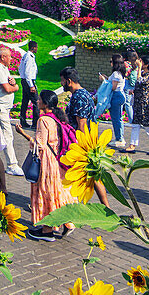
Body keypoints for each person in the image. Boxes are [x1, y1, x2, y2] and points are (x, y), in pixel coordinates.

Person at [15, 90, 76, 241]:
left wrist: (23, 133)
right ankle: (67, 222)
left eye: (40, 99)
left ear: (45, 103)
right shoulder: (58, 118)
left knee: (45, 191)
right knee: (57, 191)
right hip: (57, 160)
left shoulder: (43, 120)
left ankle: (47, 230)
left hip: (47, 161)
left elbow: (39, 144)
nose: (37, 101)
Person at [58, 66, 110, 209]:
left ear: (69, 81)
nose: (61, 84)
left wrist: (82, 147)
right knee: (94, 175)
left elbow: (81, 124)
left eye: (62, 81)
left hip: (81, 143)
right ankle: (106, 207)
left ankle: (68, 204)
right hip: (87, 141)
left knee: (81, 175)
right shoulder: (84, 93)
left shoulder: (79, 97)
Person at [0, 47, 22, 175]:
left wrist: (13, 83)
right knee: (7, 134)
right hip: (0, 107)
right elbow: (7, 89)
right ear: (2, 57)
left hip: (3, 107)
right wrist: (16, 86)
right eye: (9, 56)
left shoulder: (3, 68)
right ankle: (12, 165)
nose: (11, 59)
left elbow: (9, 84)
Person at [125, 56, 149, 153]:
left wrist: (139, 68)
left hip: (146, 103)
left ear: (146, 64)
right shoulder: (143, 73)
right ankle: (132, 145)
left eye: (141, 62)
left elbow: (140, 80)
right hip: (138, 103)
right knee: (135, 124)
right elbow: (138, 83)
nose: (139, 63)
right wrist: (134, 90)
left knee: (148, 126)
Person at [101, 56, 128, 149]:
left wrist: (104, 81)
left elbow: (113, 87)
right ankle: (120, 137)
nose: (110, 63)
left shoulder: (116, 73)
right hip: (120, 95)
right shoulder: (119, 73)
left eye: (111, 61)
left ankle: (119, 139)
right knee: (119, 118)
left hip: (116, 95)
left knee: (116, 119)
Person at [18, 41, 39, 129]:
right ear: (33, 48)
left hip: (25, 81)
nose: (37, 49)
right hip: (29, 81)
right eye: (36, 47)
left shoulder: (25, 56)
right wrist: (31, 85)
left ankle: (23, 121)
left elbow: (20, 68)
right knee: (36, 102)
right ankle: (35, 123)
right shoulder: (30, 57)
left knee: (25, 101)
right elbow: (27, 72)